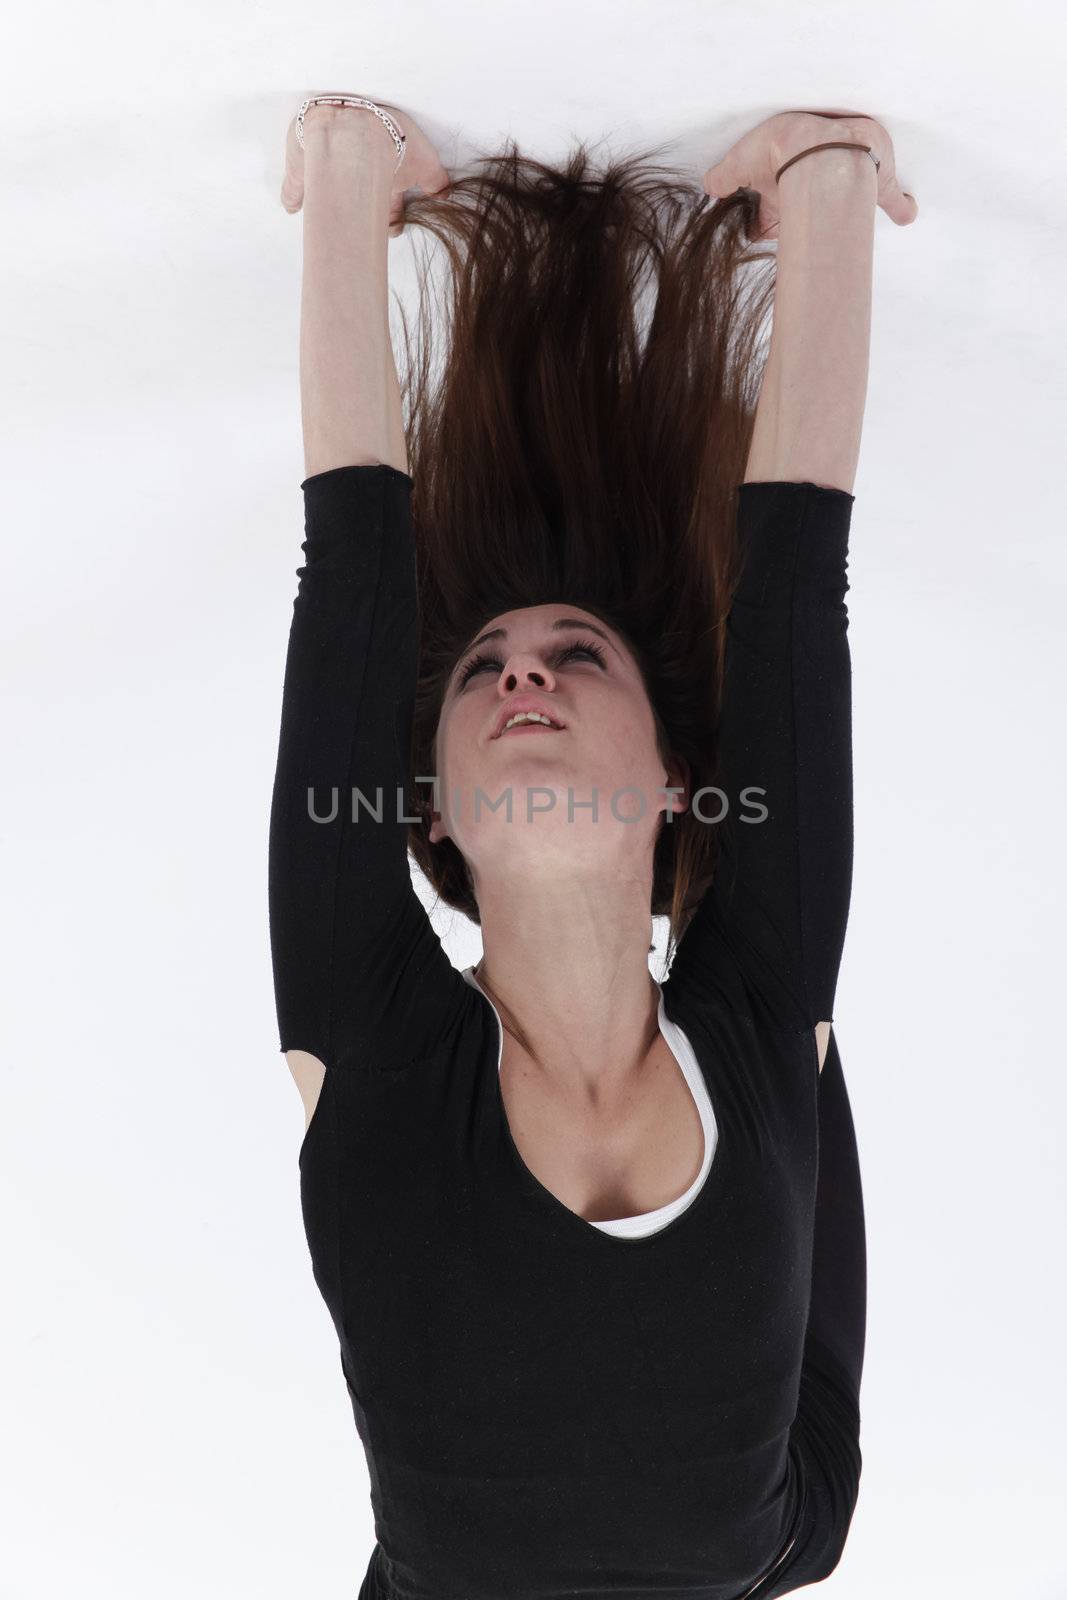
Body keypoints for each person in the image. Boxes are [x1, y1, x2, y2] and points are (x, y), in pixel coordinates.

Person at [269, 98, 917, 1600]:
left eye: (573, 657)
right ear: (422, 804)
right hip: (772, 1531)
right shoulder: (756, 1012)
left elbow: (356, 570)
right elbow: (796, 582)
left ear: (679, 781)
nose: (523, 677)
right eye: (491, 664)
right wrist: (821, 190)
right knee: (801, 1045)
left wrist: (354, 180)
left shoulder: (369, 1043)